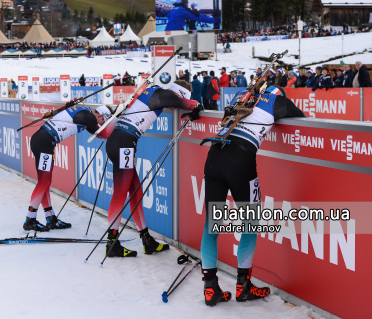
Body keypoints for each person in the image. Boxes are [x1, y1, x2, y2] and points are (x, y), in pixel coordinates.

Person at [200, 85, 305, 307]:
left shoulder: (241, 97)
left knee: (211, 226)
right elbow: (300, 116)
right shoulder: (277, 101)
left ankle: (210, 289)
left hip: (214, 155)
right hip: (240, 160)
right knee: (251, 222)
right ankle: (244, 287)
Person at [105, 80, 202, 257]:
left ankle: (146, 240)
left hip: (121, 141)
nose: (173, 109)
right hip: (124, 143)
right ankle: (112, 243)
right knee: (120, 193)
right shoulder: (163, 95)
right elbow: (189, 104)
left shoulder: (155, 92)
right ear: (178, 94)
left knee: (135, 192)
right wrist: (195, 106)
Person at [24, 105, 113, 231]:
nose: (103, 123)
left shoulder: (86, 112)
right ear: (101, 115)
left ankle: (50, 218)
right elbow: (102, 134)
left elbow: (93, 128)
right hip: (44, 143)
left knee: (45, 183)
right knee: (44, 182)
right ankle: (30, 219)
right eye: (104, 121)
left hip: (43, 141)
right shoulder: (89, 118)